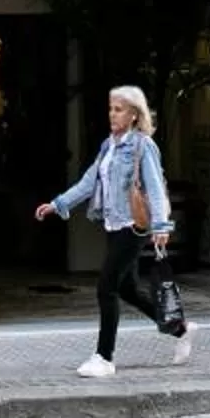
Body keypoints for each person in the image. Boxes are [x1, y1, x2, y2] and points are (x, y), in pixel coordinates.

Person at [36, 84, 192, 377]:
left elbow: (155, 188)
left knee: (106, 287)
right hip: (113, 225)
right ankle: (180, 328)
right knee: (127, 289)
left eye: (118, 109)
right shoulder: (108, 146)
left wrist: (161, 225)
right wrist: (58, 204)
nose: (112, 114)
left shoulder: (142, 146)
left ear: (134, 115)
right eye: (111, 109)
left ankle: (104, 357)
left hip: (133, 227)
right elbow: (88, 183)